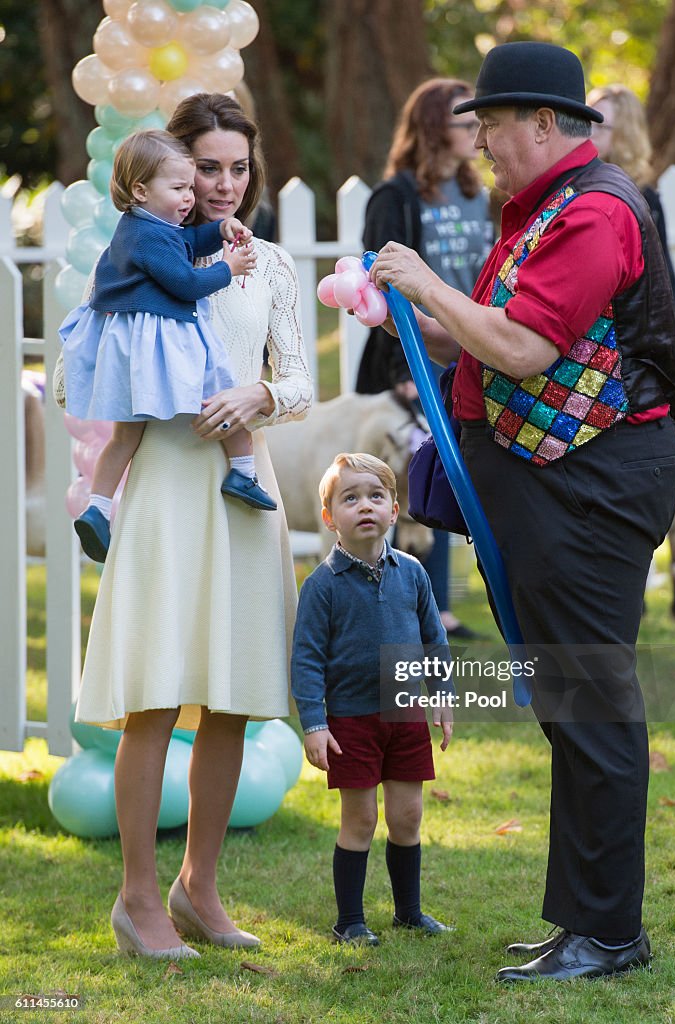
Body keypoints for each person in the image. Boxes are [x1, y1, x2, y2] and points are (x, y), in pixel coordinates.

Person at [370, 42, 675, 981]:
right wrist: (414, 316)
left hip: (594, 484)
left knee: (591, 701)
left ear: (545, 126)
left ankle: (611, 934)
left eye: (492, 128)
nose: (480, 148)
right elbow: (492, 333)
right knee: (568, 701)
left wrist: (429, 282)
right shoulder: (544, 209)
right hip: (561, 481)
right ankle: (586, 924)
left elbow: (521, 349)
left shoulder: (593, 214)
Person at [65, 92, 312, 959]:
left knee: (235, 700)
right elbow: (90, 365)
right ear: (176, 168)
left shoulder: (268, 262)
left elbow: (302, 381)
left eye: (239, 168)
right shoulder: (139, 254)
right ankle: (137, 899)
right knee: (156, 696)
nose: (223, 184)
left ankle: (198, 887)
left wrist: (262, 394)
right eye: (207, 166)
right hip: (168, 484)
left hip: (242, 488)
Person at [60, 129, 276, 564]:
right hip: (162, 340)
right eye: (179, 188)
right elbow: (186, 281)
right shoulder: (150, 236)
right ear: (140, 189)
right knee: (220, 399)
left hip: (133, 341)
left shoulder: (146, 228)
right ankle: (243, 473)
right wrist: (229, 268)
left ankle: (98, 507)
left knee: (124, 435)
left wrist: (220, 230)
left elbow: (191, 242)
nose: (188, 198)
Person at [291, 453, 454, 946]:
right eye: (350, 498)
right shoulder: (322, 587)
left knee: (407, 816)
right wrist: (315, 724)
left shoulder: (414, 573)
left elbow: (433, 640)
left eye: (375, 496)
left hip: (404, 716)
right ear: (329, 517)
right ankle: (350, 921)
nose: (365, 506)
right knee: (360, 819)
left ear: (394, 509)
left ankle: (409, 912)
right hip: (351, 722)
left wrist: (442, 694)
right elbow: (307, 659)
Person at [356, 78, 494, 639]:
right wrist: (403, 371)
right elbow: (379, 288)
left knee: (447, 482)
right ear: (436, 128)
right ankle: (382, 604)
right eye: (466, 124)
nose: (477, 135)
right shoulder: (396, 197)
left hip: (465, 352)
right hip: (410, 361)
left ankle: (438, 605)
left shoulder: (479, 193)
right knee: (393, 487)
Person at [587, 83, 675, 315]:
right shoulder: (577, 188)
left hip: (627, 327)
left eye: (600, 126)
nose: (589, 133)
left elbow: (662, 277)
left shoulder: (645, 200)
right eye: (586, 123)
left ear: (624, 134)